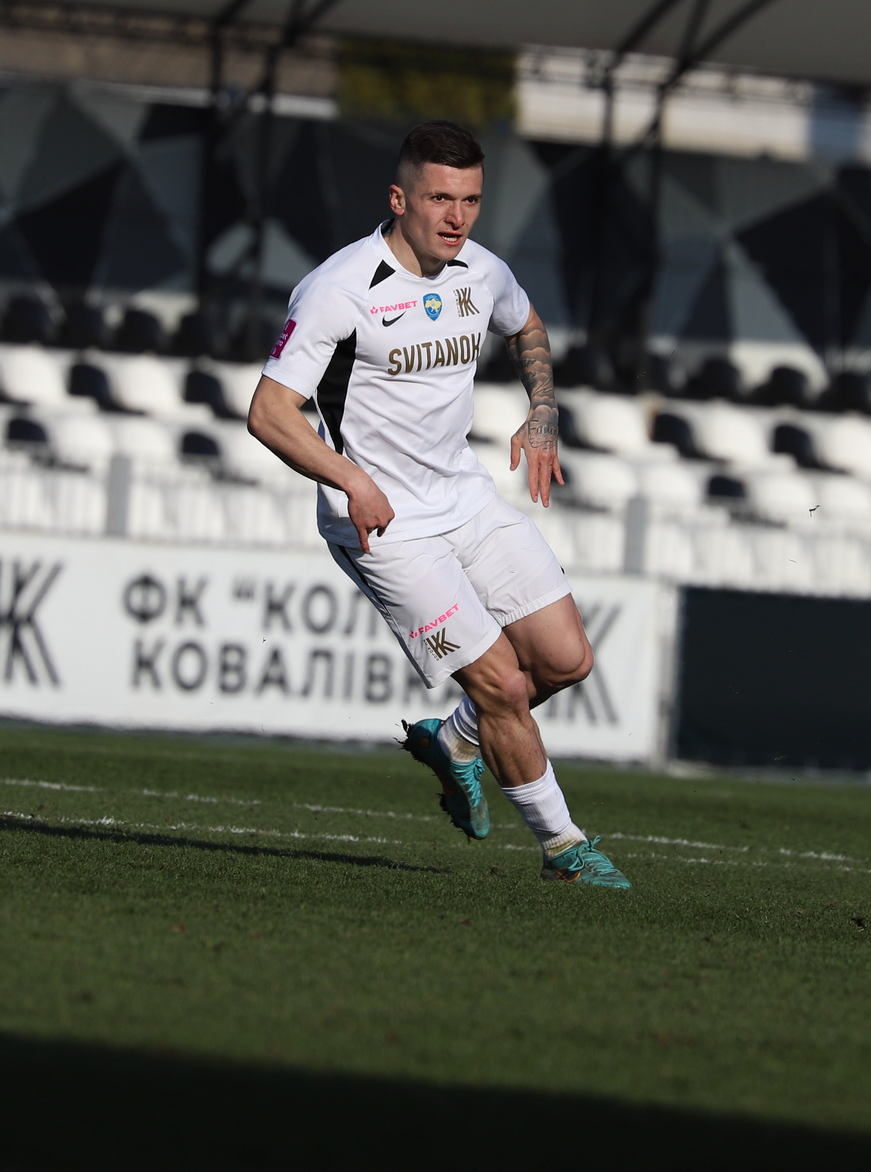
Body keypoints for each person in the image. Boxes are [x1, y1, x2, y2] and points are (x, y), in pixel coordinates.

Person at [248, 121, 627, 887]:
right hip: (384, 526)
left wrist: (543, 411)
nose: (456, 218)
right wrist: (353, 481)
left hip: (464, 498)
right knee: (503, 686)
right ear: (399, 199)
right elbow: (268, 412)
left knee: (566, 660)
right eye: (439, 199)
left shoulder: (480, 271)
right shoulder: (338, 288)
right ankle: (564, 848)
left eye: (470, 201)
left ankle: (454, 742)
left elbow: (525, 323)